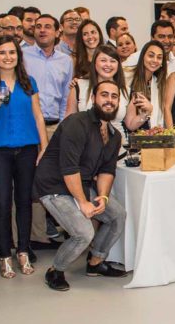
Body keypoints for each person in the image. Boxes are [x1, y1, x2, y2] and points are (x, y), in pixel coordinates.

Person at [36, 80, 128, 291]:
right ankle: (55, 271)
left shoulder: (114, 136)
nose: (109, 100)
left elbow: (106, 171)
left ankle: (95, 263)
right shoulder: (76, 123)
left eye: (114, 96)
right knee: (84, 233)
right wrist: (83, 202)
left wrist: (103, 197)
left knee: (117, 215)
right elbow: (69, 169)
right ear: (93, 98)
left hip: (81, 184)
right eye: (104, 95)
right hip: (55, 186)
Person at [0, 37, 49, 278]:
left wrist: (44, 146)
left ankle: (23, 251)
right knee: (1, 203)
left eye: (12, 52)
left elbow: (38, 115)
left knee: (24, 202)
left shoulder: (28, 82)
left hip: (27, 148)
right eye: (2, 52)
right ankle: (4, 255)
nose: (7, 57)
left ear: (18, 56)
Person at [23, 14, 73, 130]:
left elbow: (66, 96)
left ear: (57, 33)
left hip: (55, 126)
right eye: (38, 27)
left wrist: (62, 124)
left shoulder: (66, 60)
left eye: (47, 27)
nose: (42, 30)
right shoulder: (22, 55)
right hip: (28, 125)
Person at [65, 46, 129, 124]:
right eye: (103, 60)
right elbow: (69, 120)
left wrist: (142, 114)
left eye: (113, 61)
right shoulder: (78, 85)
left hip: (117, 132)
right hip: (84, 131)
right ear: (95, 62)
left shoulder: (126, 90)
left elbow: (130, 124)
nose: (108, 64)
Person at [127, 41, 167, 130]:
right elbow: (129, 124)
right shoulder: (128, 77)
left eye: (159, 57)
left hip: (150, 134)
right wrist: (147, 111)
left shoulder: (158, 83)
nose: (155, 60)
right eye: (151, 55)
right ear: (143, 57)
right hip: (129, 134)